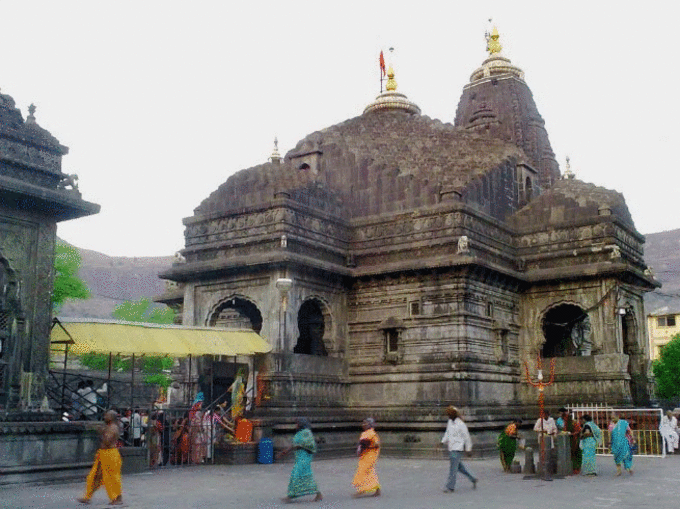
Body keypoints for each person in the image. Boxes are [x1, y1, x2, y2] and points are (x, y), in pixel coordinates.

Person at [77, 410, 123, 505]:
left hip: (110, 454)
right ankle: (87, 496)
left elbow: (107, 440)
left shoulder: (113, 428)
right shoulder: (108, 427)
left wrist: (101, 431)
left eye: (107, 415)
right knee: (94, 476)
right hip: (103, 454)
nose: (104, 417)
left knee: (111, 477)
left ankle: (116, 497)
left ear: (111, 417)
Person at [278, 418, 323, 503]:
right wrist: (285, 452)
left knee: (297, 476)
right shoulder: (299, 433)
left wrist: (288, 450)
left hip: (305, 457)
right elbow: (294, 444)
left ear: (301, 424)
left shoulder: (306, 433)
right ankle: (317, 494)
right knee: (301, 476)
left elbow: (307, 444)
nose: (296, 425)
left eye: (297, 423)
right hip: (299, 457)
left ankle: (290, 496)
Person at [441, 406, 477, 492]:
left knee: (453, 468)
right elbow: (447, 433)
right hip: (451, 447)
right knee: (459, 468)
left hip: (457, 448)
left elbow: (467, 437)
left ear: (454, 414)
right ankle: (472, 479)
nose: (448, 416)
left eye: (449, 414)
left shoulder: (461, 424)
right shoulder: (450, 422)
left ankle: (450, 486)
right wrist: (442, 441)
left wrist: (468, 449)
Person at [352, 418, 381, 497]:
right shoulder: (367, 433)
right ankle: (377, 489)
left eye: (366, 423)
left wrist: (366, 446)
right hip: (366, 455)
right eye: (363, 423)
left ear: (370, 425)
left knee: (363, 471)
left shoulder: (370, 433)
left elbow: (375, 444)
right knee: (369, 471)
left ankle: (361, 490)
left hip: (369, 455)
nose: (363, 425)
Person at [557, 407, 582, 474]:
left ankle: (576, 468)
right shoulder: (563, 422)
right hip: (569, 440)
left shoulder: (573, 422)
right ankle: (573, 468)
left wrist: (572, 434)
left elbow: (578, 431)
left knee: (575, 454)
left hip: (574, 439)